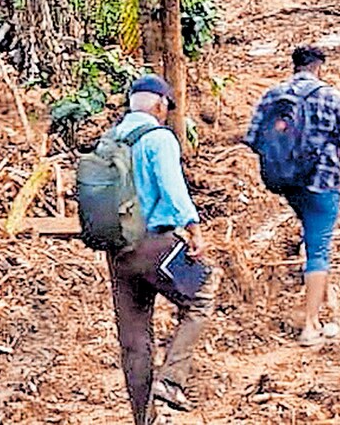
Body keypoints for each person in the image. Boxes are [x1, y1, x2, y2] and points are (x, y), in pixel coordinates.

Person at [108, 75, 218, 425]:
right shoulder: (159, 139)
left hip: (117, 253)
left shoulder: (108, 140)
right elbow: (173, 189)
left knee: (135, 339)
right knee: (203, 292)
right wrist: (194, 230)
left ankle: (144, 419)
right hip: (156, 243)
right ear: (160, 105)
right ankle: (170, 382)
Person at [245, 46, 340, 347]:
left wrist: (284, 160)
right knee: (319, 250)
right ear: (319, 67)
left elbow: (251, 138)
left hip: (286, 184)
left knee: (313, 237)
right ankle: (310, 325)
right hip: (322, 183)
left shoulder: (272, 95)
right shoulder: (329, 96)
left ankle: (327, 303)